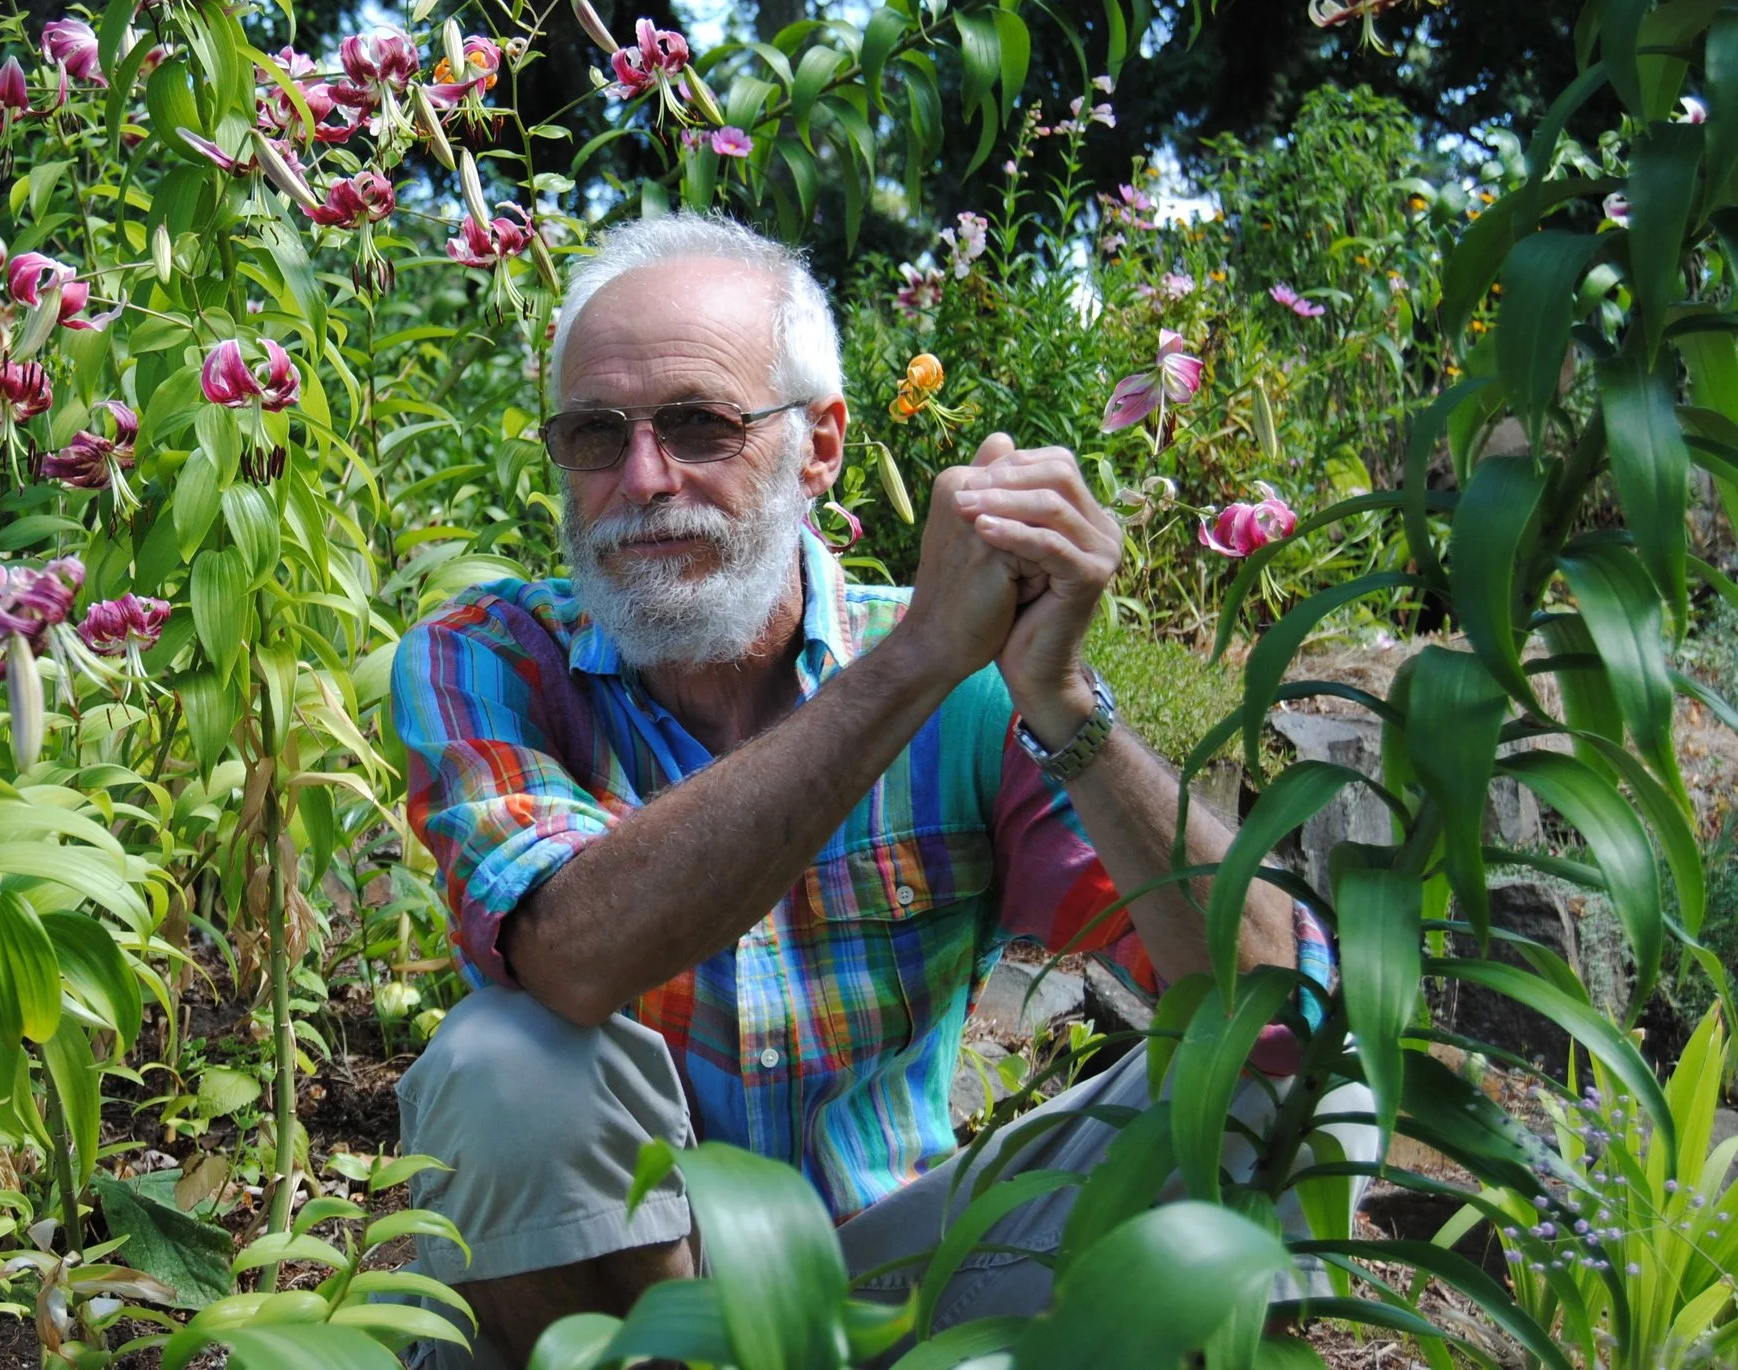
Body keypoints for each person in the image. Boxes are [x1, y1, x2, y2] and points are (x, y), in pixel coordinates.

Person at [388, 215, 1371, 1366]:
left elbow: (1267, 1013)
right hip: (611, 1323)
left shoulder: (970, 690)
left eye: (700, 424)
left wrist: (1056, 698)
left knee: (1303, 1097)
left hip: (899, 1288)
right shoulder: (489, 656)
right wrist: (907, 670)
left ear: (819, 449)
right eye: (595, 435)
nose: (643, 479)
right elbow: (569, 953)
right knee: (507, 1066)